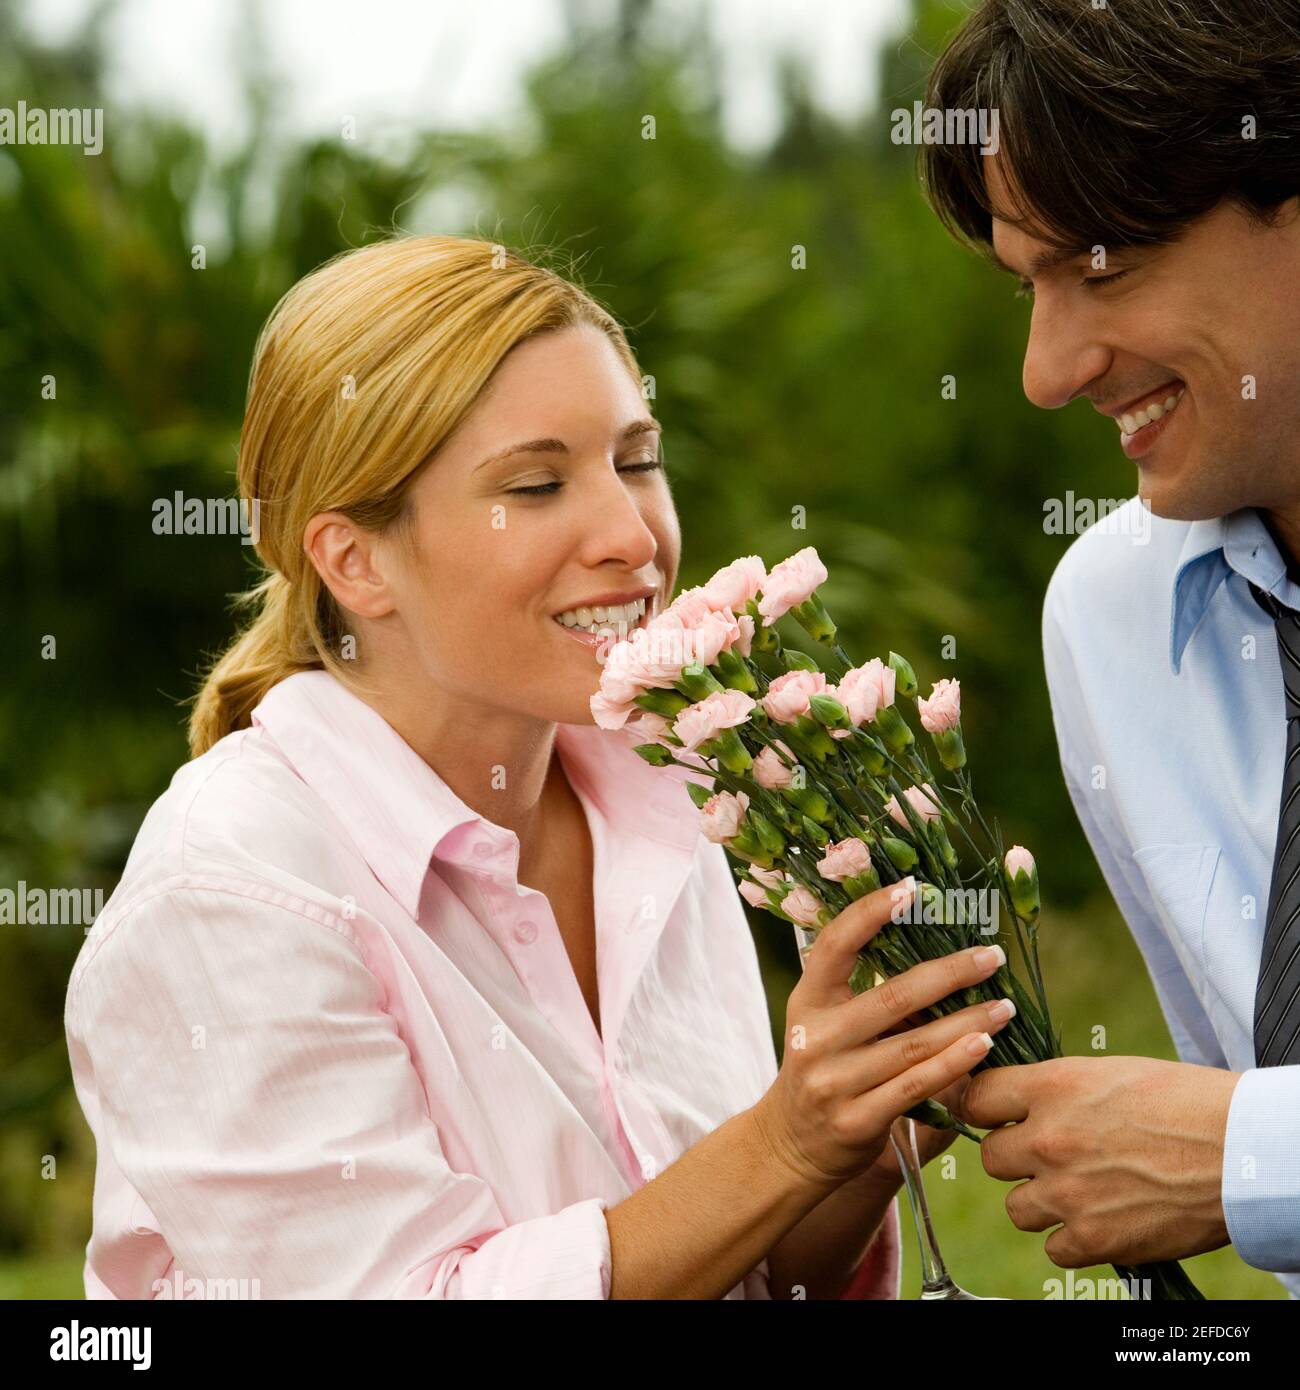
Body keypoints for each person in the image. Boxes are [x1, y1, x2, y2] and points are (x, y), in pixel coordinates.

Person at [63, 234, 1014, 1299]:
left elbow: (741, 1271)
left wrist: (862, 1127)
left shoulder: (671, 796)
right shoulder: (230, 888)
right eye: (536, 482)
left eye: (637, 459)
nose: (631, 534)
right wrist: (780, 1146)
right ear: (354, 559)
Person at [918, 0, 1300, 1293]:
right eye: (1031, 281)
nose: (1046, 366)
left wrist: (1248, 1151)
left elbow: (1222, 1146)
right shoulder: (1114, 621)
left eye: (1102, 264)